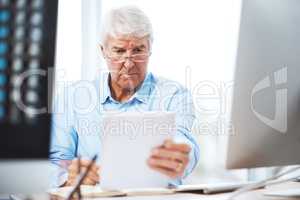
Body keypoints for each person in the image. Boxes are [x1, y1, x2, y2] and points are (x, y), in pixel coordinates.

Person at [50, 5, 200, 187]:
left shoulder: (174, 94)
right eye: (119, 51)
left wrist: (181, 156)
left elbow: (184, 141)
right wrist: (68, 178)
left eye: (138, 50)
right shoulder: (73, 97)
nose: (128, 64)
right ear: (103, 51)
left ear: (150, 48)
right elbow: (56, 161)